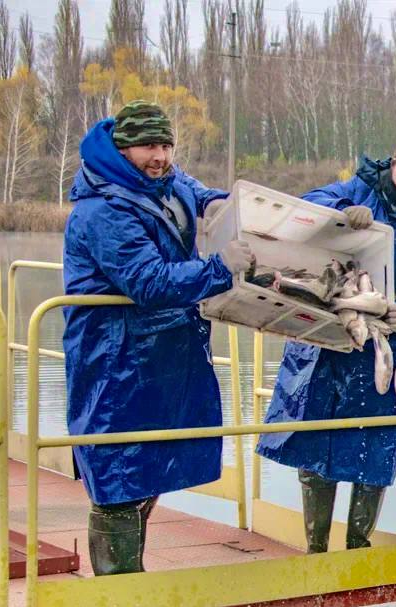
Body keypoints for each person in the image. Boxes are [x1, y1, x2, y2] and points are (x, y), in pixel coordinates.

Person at [62, 100, 253, 575]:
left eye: (166, 145)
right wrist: (219, 268)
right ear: (123, 149)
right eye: (149, 146)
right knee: (117, 475)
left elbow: (195, 191)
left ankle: (130, 582)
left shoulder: (163, 180)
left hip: (164, 350)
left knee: (150, 466)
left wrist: (225, 205)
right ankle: (118, 592)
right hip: (114, 355)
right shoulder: (102, 210)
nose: (161, 155)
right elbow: (148, 282)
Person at [256, 133, 396, 552]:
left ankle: (356, 544)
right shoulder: (360, 186)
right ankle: (315, 546)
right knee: (315, 437)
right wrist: (343, 212)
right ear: (393, 165)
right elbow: (305, 206)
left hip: (386, 342)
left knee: (373, 447)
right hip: (326, 334)